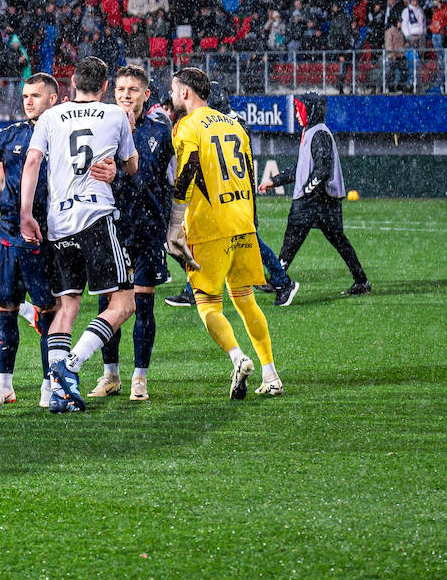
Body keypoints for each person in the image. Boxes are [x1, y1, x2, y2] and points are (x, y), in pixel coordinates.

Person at [19, 56, 138, 414]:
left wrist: (27, 215)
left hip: (59, 223)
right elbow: (131, 166)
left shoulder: (51, 117)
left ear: (71, 83)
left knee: (66, 305)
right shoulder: (116, 115)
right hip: (96, 218)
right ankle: (70, 365)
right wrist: (119, 156)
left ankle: (58, 393)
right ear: (104, 87)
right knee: (124, 303)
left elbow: (32, 162)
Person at [169, 67, 283, 398]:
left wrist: (175, 224)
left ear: (187, 93)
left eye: (176, 91)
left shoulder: (187, 126)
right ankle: (271, 374)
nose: (174, 96)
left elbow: (188, 172)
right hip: (242, 222)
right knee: (245, 300)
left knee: (208, 307)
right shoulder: (234, 124)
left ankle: (238, 357)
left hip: (209, 227)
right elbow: (248, 174)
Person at [0, 73, 62, 408]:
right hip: (7, 234)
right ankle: (4, 386)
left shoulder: (63, 135)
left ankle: (50, 384)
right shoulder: (13, 134)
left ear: (53, 99)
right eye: (25, 96)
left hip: (46, 236)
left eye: (35, 95)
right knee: (4, 308)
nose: (28, 101)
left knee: (49, 311)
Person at [87, 65, 173, 402]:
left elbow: (162, 183)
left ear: (146, 95)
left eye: (133, 90)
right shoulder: (101, 128)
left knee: (142, 304)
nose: (125, 94)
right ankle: (110, 375)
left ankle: (140, 378)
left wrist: (169, 223)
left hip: (146, 230)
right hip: (109, 228)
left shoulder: (159, 134)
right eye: (121, 89)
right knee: (107, 304)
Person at [259, 94, 370, 296]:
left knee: (293, 238)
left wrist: (307, 191)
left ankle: (278, 279)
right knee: (335, 240)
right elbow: (301, 169)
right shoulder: (312, 132)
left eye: (299, 108)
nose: (296, 113)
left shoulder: (318, 133)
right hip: (323, 199)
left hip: (316, 199)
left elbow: (322, 169)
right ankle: (361, 281)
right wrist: (274, 181)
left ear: (309, 110)